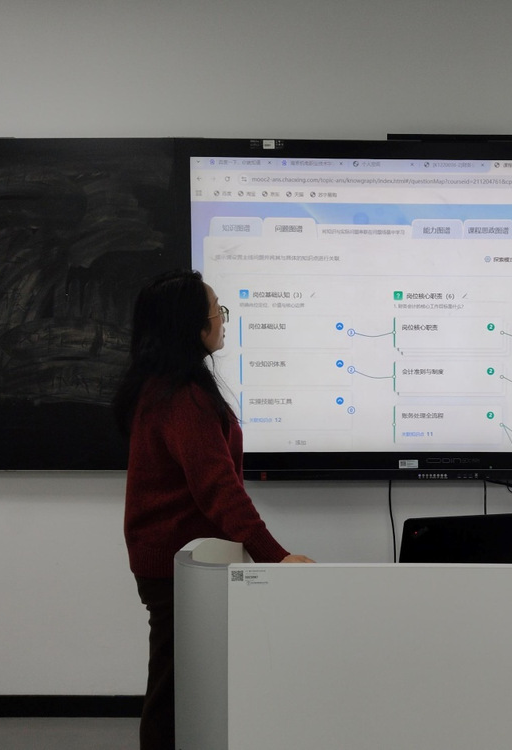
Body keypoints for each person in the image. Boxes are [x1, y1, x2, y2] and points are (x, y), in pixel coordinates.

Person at [113, 269, 313, 750]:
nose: (223, 319)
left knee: (182, 681)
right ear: (193, 326)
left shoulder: (164, 386)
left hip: (176, 559)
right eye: (217, 311)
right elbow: (218, 489)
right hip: (181, 563)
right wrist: (276, 556)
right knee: (174, 688)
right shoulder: (182, 398)